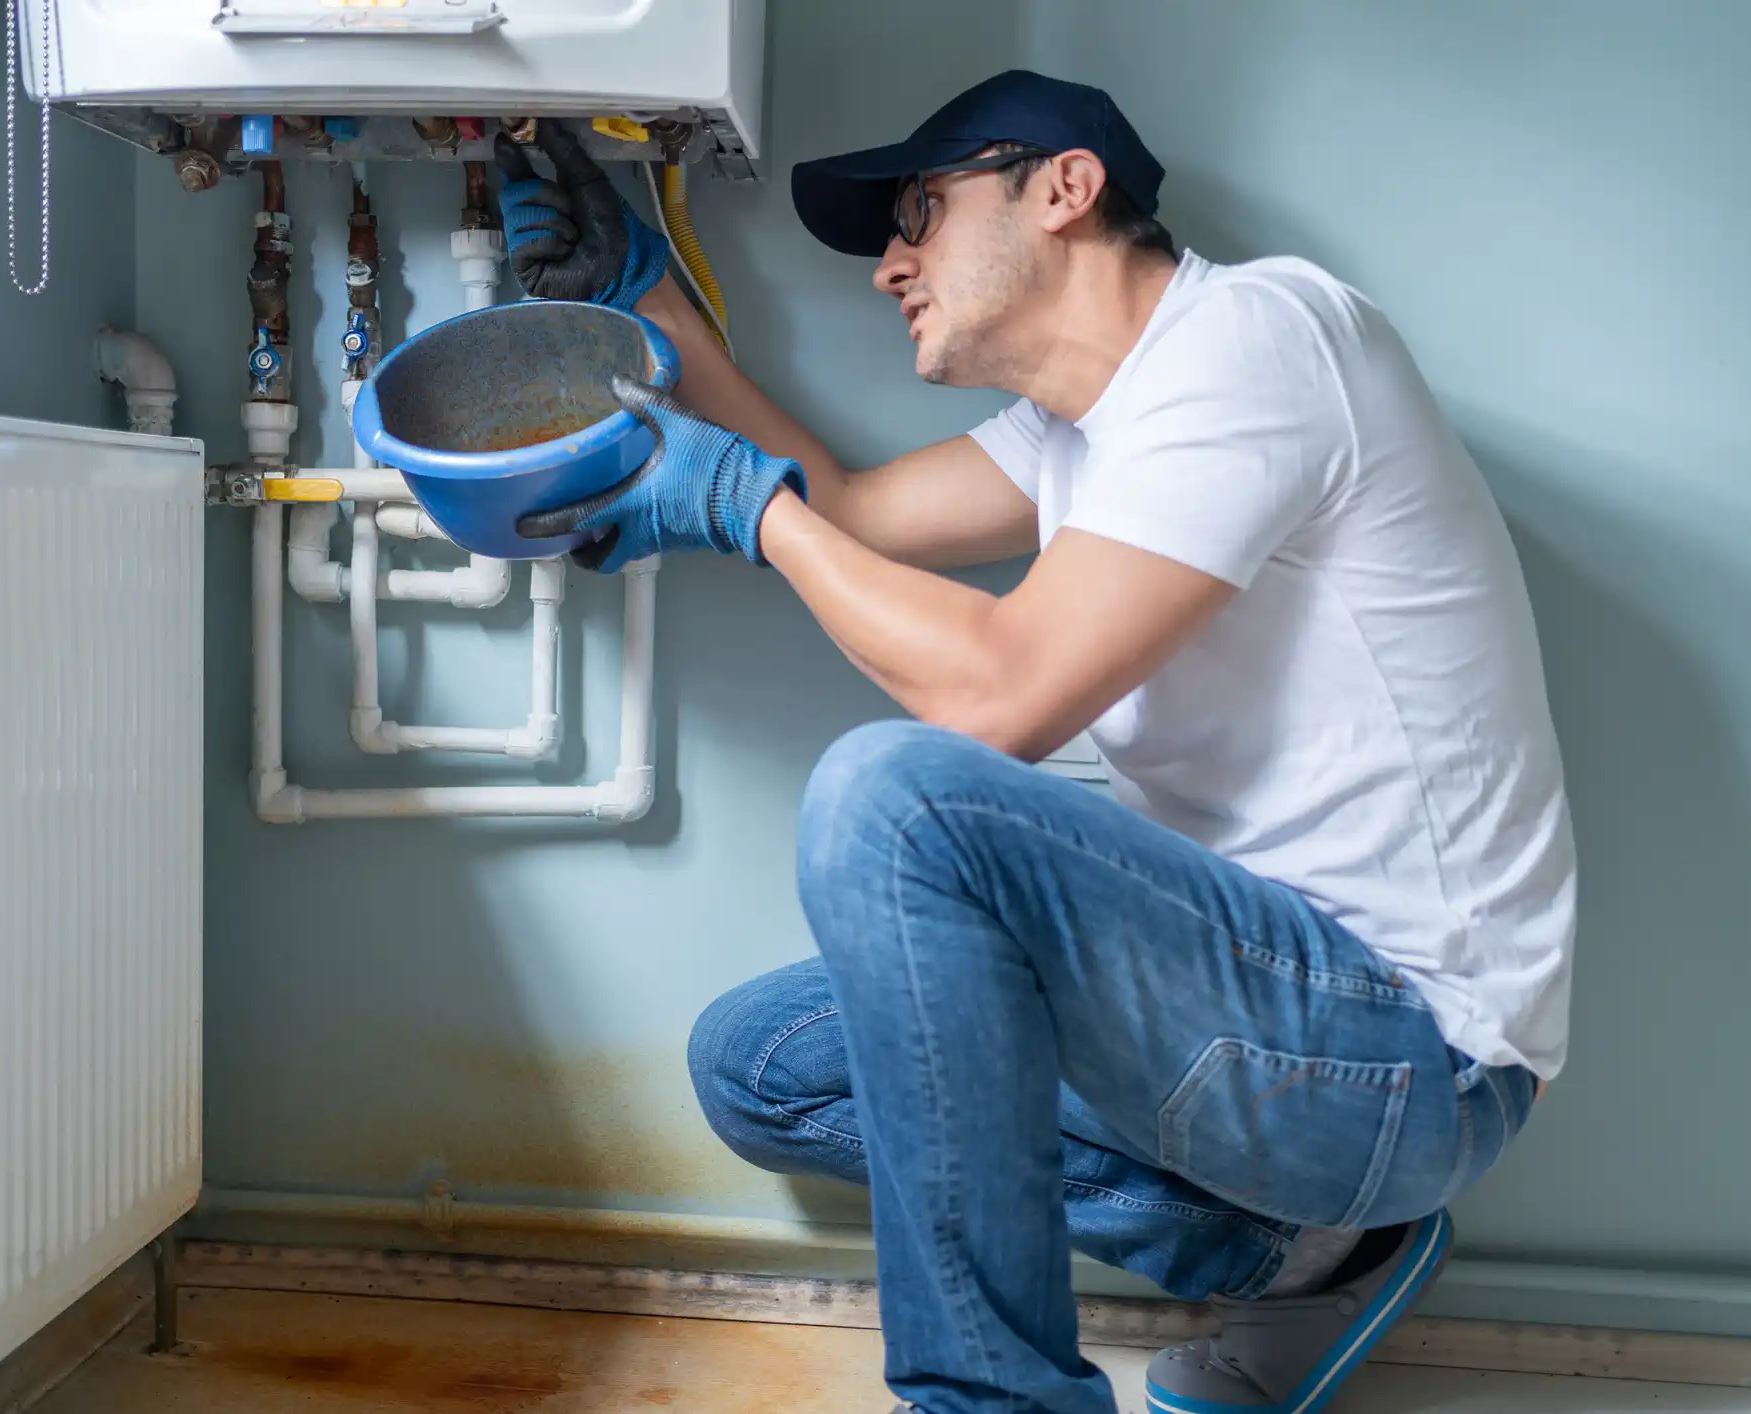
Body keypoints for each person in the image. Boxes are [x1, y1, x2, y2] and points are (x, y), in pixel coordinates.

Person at [494, 68, 1575, 1414]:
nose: (890, 264)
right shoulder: (1080, 434)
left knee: (896, 794)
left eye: (919, 212)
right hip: (1244, 1017)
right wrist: (651, 299)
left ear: (1063, 187)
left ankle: (988, 1401)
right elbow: (854, 506)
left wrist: (748, 515)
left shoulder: (1258, 338)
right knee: (761, 1068)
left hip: (1405, 1057)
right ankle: (1310, 1254)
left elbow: (997, 695)